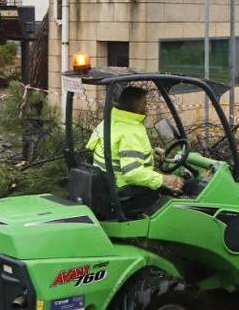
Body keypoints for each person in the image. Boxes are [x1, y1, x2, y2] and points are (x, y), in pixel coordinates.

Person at [86, 86, 201, 217]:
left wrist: (151, 153)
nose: (147, 107)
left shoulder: (111, 122)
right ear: (136, 106)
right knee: (190, 185)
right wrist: (164, 179)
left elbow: (118, 152)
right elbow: (132, 173)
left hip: (112, 185)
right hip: (127, 192)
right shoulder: (130, 131)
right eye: (145, 103)